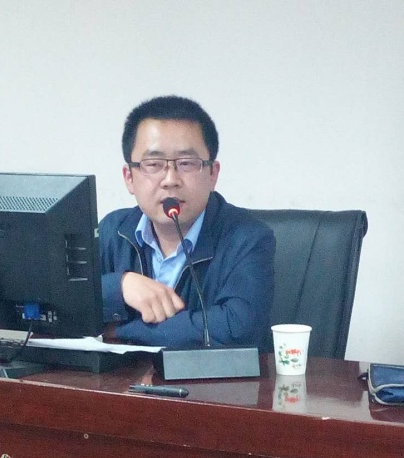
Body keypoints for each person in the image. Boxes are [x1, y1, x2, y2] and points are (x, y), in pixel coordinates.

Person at [99, 95, 275, 351]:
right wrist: (120, 285)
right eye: (153, 164)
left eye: (186, 164)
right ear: (129, 177)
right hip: (125, 377)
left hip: (209, 379)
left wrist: (121, 331)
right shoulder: (113, 231)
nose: (170, 179)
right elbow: (61, 309)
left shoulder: (248, 238)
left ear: (213, 174)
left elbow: (237, 329)